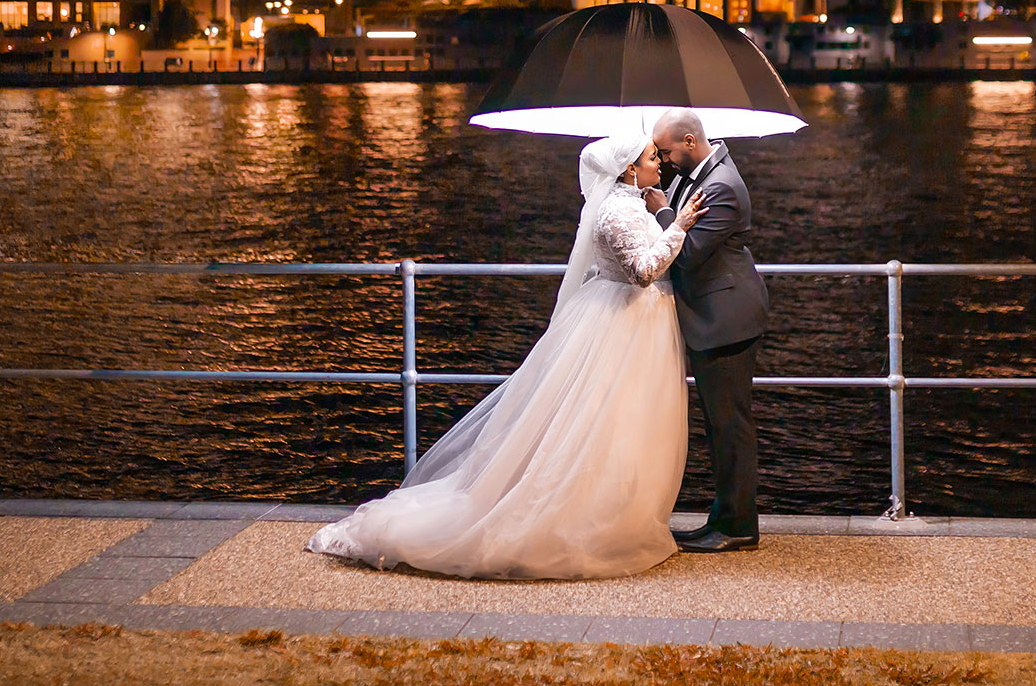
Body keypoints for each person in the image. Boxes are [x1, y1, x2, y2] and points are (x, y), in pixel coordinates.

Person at [305, 132, 705, 579]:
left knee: (624, 425)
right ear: (629, 168)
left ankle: (616, 513)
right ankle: (585, 521)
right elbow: (643, 271)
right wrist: (679, 226)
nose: (659, 164)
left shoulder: (632, 202)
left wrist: (660, 210)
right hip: (624, 324)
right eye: (653, 158)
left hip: (634, 325)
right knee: (600, 422)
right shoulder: (615, 211)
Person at [643, 108, 768, 552]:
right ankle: (722, 517)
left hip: (727, 319)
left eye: (667, 150)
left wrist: (662, 212)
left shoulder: (722, 187)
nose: (663, 158)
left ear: (691, 142)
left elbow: (690, 250)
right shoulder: (695, 174)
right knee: (718, 426)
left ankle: (738, 527)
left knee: (731, 425)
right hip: (712, 316)